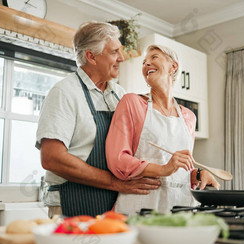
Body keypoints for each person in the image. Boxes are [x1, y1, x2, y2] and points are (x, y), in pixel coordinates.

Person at [35, 22, 161, 218]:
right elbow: (52, 158)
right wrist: (114, 182)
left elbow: (141, 145)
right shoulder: (65, 92)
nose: (121, 58)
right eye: (114, 52)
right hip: (73, 202)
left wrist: (192, 172)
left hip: (114, 203)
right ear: (91, 56)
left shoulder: (120, 94)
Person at [106, 44, 220, 215]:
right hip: (140, 207)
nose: (147, 64)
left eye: (154, 57)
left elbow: (181, 170)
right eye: (144, 62)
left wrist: (198, 174)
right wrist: (163, 169)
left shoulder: (189, 117)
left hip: (180, 210)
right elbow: (118, 160)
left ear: (173, 66)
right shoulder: (132, 103)